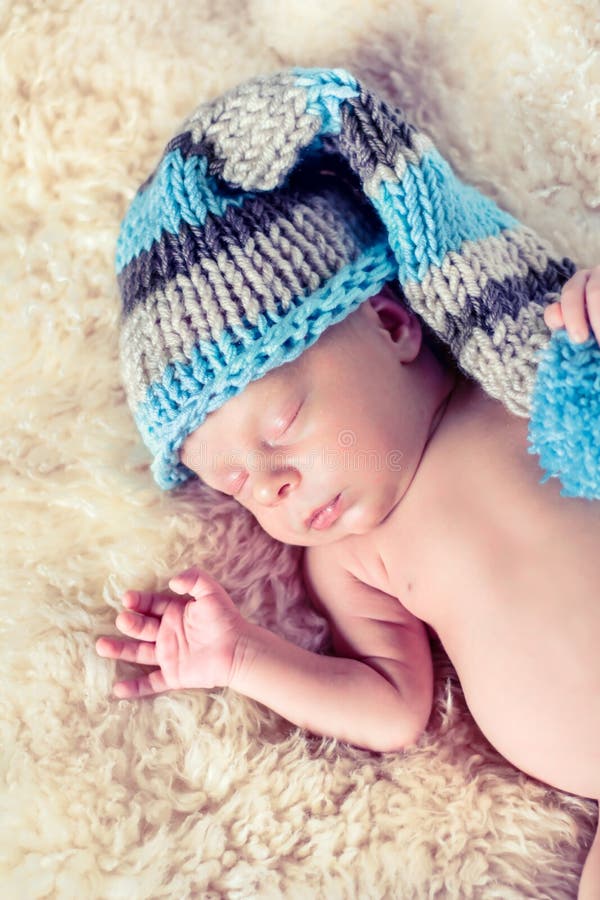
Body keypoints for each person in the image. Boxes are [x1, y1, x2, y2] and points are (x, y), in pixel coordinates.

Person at [96, 68, 600, 897]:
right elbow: (390, 707)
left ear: (393, 326)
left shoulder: (523, 380)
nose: (275, 489)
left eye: (283, 429)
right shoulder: (354, 554)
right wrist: (243, 659)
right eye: (237, 486)